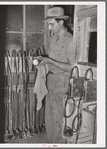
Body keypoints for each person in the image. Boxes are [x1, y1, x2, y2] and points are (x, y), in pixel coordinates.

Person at [36, 7, 74, 143]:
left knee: (59, 118)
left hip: (62, 82)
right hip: (50, 80)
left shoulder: (70, 40)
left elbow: (72, 68)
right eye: (49, 25)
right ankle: (50, 143)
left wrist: (50, 60)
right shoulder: (53, 39)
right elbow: (51, 60)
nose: (50, 28)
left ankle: (59, 144)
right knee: (49, 117)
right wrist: (43, 61)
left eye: (52, 24)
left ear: (61, 22)